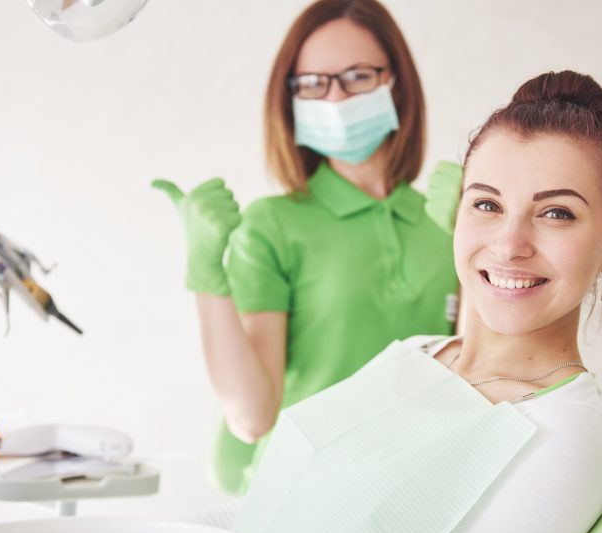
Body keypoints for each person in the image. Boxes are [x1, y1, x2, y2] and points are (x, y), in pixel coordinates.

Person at [231, 70, 602, 533]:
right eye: (487, 204)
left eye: (556, 213)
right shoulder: (422, 350)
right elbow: (262, 512)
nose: (509, 245)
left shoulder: (560, 437)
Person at [152, 0, 458, 494]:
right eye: (313, 83)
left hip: (418, 488)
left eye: (357, 76)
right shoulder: (273, 225)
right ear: (291, 99)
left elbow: (480, 382)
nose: (335, 98)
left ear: (395, 83)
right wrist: (207, 272)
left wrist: (485, 235)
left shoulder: (445, 221)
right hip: (303, 492)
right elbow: (252, 419)